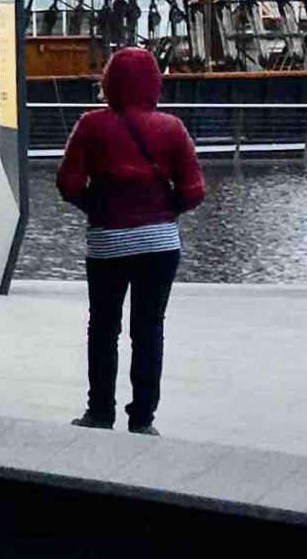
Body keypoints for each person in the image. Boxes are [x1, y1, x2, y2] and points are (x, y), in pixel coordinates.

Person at [55, 46, 204, 435]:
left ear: (109, 83)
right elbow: (193, 191)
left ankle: (100, 412)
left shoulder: (91, 125)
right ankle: (142, 419)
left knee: (103, 328)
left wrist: (96, 207)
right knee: (149, 329)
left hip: (107, 243)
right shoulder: (172, 128)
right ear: (154, 83)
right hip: (159, 244)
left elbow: (67, 183)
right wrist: (166, 210)